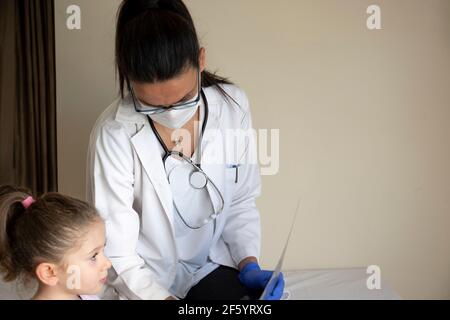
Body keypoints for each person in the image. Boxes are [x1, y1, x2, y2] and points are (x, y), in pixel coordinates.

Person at [87, 0, 284, 300]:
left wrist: (248, 264)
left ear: (201, 59)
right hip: (145, 282)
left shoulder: (232, 107)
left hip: (208, 268)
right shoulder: (113, 134)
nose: (171, 113)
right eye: (152, 105)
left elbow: (241, 201)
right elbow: (117, 254)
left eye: (184, 99)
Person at [0, 185, 112, 300]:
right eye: (94, 256)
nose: (108, 264)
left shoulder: (86, 295)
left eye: (103, 249)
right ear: (50, 272)